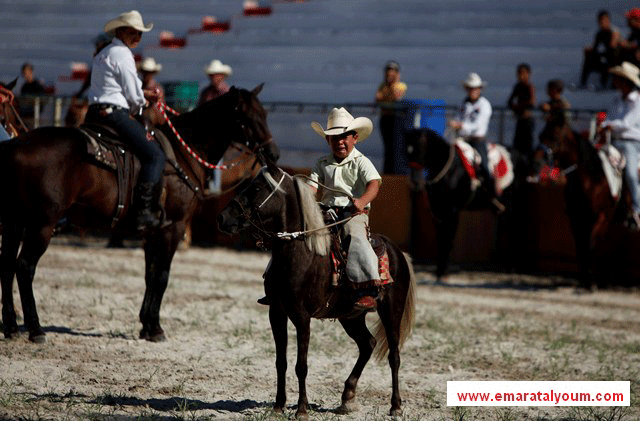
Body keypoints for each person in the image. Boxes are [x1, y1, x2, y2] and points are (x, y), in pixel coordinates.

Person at [85, 10, 165, 230]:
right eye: (133, 32)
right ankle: (143, 210)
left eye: (139, 34)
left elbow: (116, 86)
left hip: (94, 113)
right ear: (120, 31)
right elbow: (132, 94)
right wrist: (143, 102)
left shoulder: (104, 52)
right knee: (155, 155)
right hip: (114, 115)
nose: (137, 38)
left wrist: (140, 94)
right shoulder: (123, 54)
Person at [308, 107, 382, 311]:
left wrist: (361, 201)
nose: (340, 142)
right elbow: (312, 187)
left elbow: (374, 183)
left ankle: (368, 289)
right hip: (326, 212)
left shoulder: (361, 161)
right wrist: (305, 197)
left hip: (353, 214)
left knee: (356, 237)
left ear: (355, 138)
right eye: (334, 138)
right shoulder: (321, 163)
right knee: (298, 234)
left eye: (344, 137)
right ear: (328, 141)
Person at [599, 62, 640, 228]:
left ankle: (638, 209)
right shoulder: (617, 100)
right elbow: (610, 119)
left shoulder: (637, 100)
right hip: (615, 141)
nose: (614, 82)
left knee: (630, 173)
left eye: (618, 79)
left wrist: (609, 125)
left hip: (632, 143)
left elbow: (627, 123)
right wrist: (606, 125)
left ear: (625, 81)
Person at [448, 72, 494, 188]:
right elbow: (459, 117)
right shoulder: (464, 104)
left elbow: (477, 125)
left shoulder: (484, 105)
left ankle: (489, 189)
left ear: (479, 89)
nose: (472, 91)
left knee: (484, 164)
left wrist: (460, 125)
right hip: (463, 140)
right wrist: (454, 123)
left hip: (477, 141)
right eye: (470, 88)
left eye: (475, 88)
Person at [375, 60, 408, 174]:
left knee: (396, 146)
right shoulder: (382, 86)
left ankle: (397, 171)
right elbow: (378, 98)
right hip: (385, 118)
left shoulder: (401, 85)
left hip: (396, 119)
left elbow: (396, 96)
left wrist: (393, 83)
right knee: (387, 147)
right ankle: (387, 171)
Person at [579, 10, 621, 90]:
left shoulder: (614, 31)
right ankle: (583, 83)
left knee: (606, 61)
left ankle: (605, 84)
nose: (602, 23)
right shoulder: (599, 33)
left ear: (608, 20)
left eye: (604, 20)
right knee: (590, 58)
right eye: (600, 20)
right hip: (606, 56)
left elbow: (613, 47)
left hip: (615, 59)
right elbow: (596, 48)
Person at [507, 63, 536, 164]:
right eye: (519, 73)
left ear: (528, 74)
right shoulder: (517, 86)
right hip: (520, 120)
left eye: (523, 73)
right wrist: (516, 107)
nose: (521, 76)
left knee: (527, 146)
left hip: (528, 121)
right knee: (517, 145)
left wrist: (518, 105)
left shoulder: (529, 86)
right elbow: (510, 101)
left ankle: (529, 168)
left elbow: (532, 102)